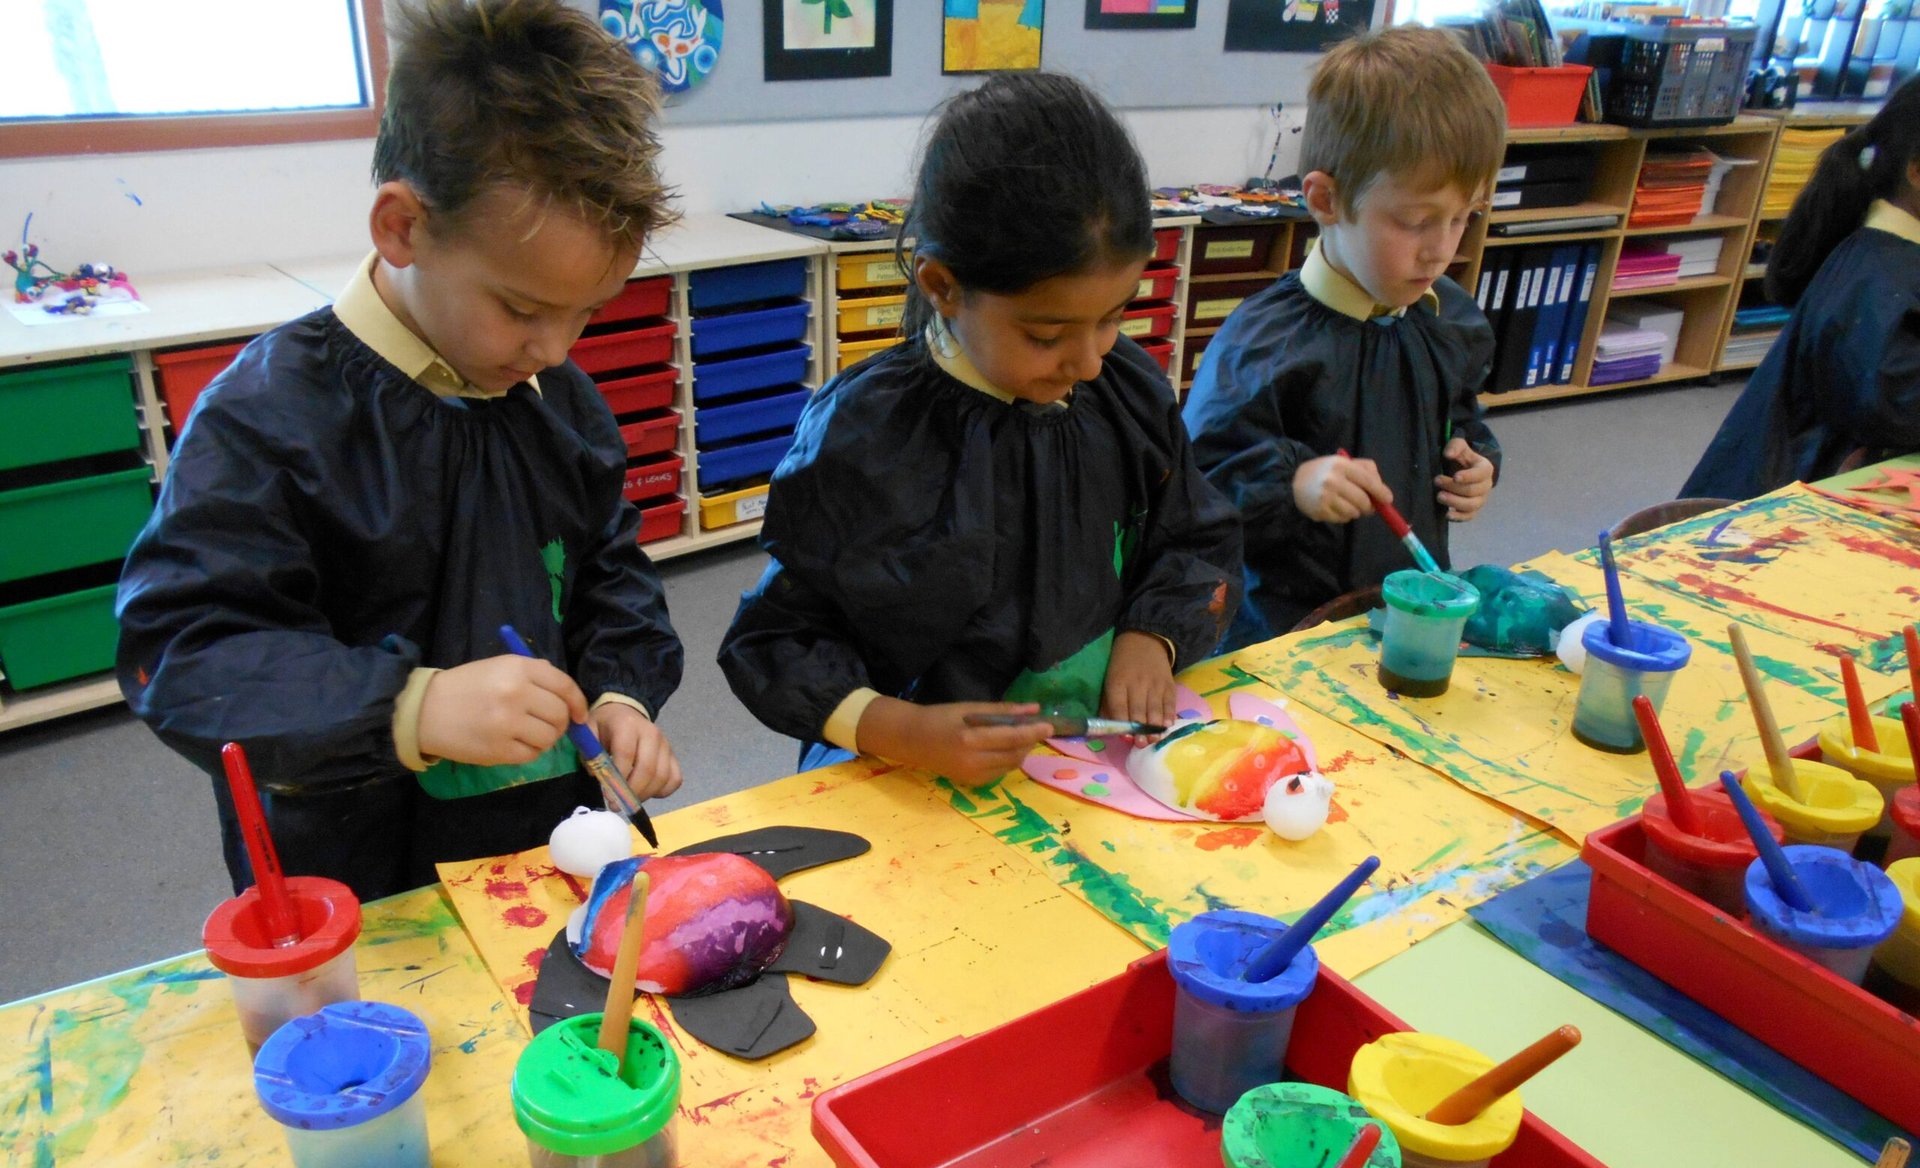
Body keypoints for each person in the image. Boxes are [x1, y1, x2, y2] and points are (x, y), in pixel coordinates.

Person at [117, 0, 685, 901]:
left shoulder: (555, 397)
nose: (554, 349)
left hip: (547, 849)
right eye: (523, 309)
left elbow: (611, 574)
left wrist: (622, 694)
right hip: (357, 871)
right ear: (402, 227)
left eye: (586, 313)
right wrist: (411, 708)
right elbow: (187, 657)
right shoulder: (266, 418)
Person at [719, 73, 1242, 786]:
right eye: (1046, 334)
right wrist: (900, 729)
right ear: (942, 286)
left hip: (1089, 772)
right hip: (912, 779)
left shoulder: (1125, 389)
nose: (1089, 362)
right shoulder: (868, 435)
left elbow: (1195, 536)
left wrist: (1154, 635)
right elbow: (776, 638)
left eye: (1113, 316)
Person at [1184, 25, 1506, 645]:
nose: (1441, 249)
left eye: (1464, 217)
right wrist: (1293, 485)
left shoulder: (1447, 318)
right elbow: (1201, 484)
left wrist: (1478, 462)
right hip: (1286, 635)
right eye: (1415, 221)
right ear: (1327, 200)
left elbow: (1460, 417)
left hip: (1405, 614)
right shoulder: (1262, 345)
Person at [1682, 75, 1920, 500]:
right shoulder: (1877, 274)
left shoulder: (1893, 257)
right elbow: (1891, 408)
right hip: (1805, 499)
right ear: (1917, 172)